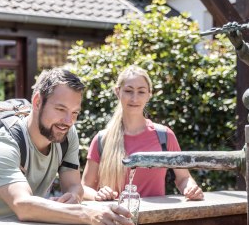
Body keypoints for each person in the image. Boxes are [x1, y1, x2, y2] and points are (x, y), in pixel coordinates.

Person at [0, 68, 134, 225]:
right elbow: (23, 205)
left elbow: (73, 185)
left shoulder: (67, 135)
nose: (68, 121)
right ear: (37, 102)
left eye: (75, 113)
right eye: (60, 109)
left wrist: (73, 196)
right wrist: (87, 214)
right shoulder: (3, 144)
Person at [82, 65, 204, 201]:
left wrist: (191, 188)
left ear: (149, 95)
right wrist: (98, 195)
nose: (134, 98)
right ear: (117, 92)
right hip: (115, 219)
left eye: (141, 92)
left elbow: (184, 178)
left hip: (156, 219)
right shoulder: (101, 139)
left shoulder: (164, 135)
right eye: (128, 91)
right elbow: (84, 187)